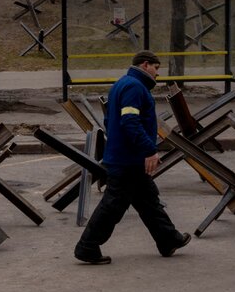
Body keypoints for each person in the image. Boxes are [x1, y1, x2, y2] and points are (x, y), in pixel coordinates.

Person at [74, 50, 191, 265]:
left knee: (148, 200)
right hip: (127, 159)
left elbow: (110, 119)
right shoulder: (135, 87)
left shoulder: (123, 83)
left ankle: (168, 239)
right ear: (146, 65)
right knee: (113, 205)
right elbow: (129, 121)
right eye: (156, 68)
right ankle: (87, 246)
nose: (157, 74)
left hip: (127, 157)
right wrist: (148, 149)